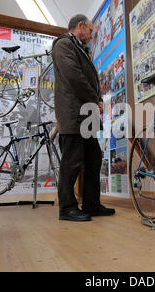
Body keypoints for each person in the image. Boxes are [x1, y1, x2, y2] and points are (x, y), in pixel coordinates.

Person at [52, 14, 115, 222]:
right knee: (71, 161)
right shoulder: (63, 44)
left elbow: (85, 77)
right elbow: (74, 76)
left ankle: (91, 204)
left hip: (85, 114)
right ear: (80, 26)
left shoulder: (79, 47)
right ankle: (67, 208)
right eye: (89, 30)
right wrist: (93, 98)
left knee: (93, 158)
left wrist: (95, 99)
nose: (91, 35)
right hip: (73, 114)